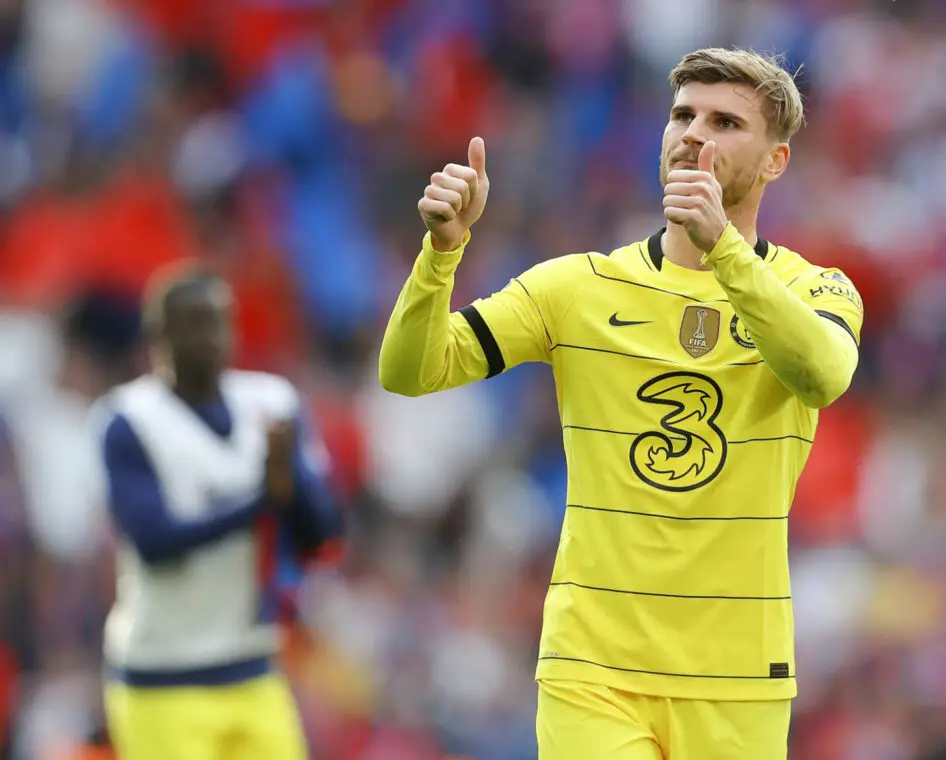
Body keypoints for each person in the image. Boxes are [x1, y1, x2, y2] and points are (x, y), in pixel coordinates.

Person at [379, 47, 864, 759]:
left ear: (775, 162)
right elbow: (410, 371)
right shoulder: (577, 288)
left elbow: (823, 375)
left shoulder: (816, 290)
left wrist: (725, 252)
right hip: (593, 669)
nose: (694, 134)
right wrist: (440, 254)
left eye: (725, 122)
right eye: (682, 115)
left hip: (737, 676)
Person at [93, 264, 343, 760]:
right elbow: (156, 543)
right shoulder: (128, 420)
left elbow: (325, 533)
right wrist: (262, 500)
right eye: (196, 323)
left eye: (220, 321)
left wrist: (293, 487)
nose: (211, 337)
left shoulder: (270, 402)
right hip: (163, 676)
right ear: (159, 335)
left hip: (252, 665)